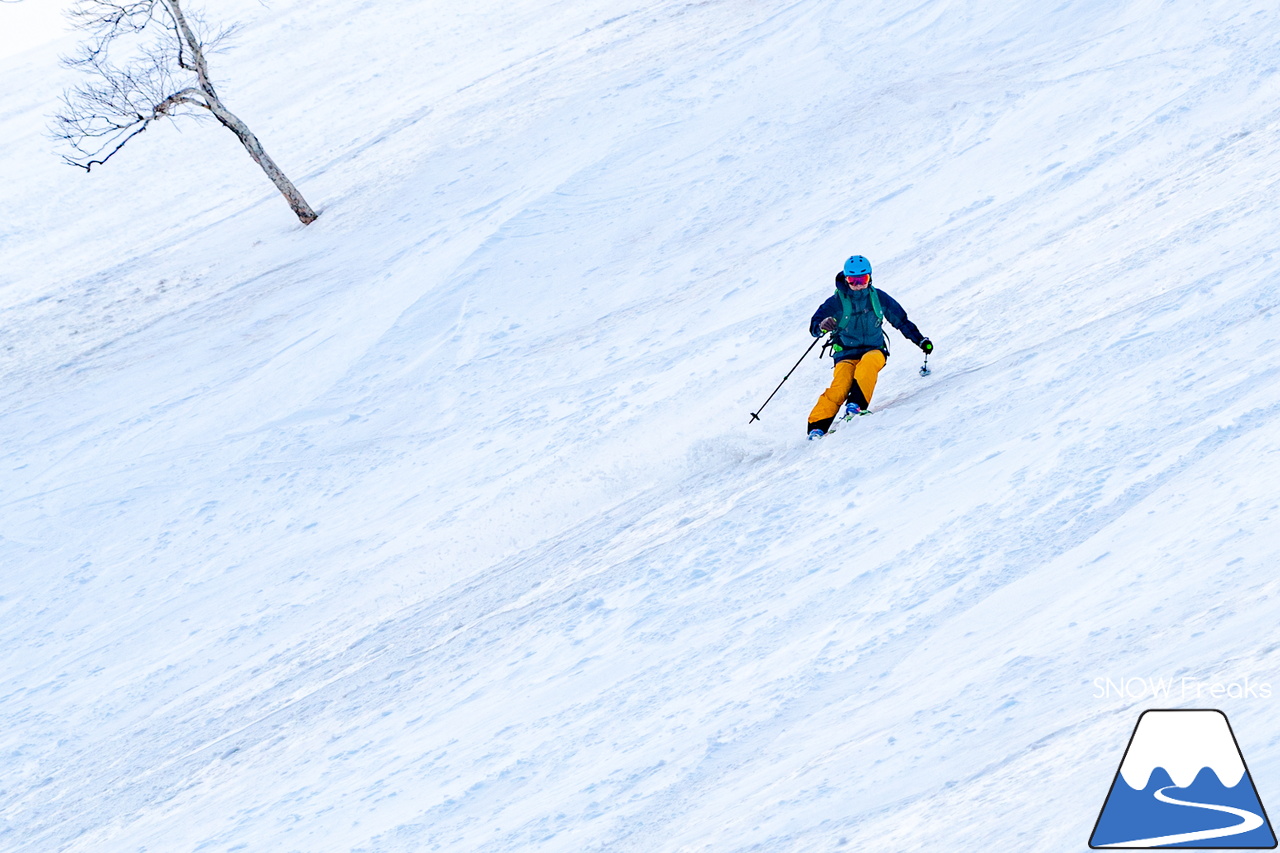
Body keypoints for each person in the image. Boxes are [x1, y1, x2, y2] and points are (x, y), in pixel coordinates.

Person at [806, 255, 932, 438]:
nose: (858, 284)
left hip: (875, 349)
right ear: (846, 279)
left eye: (862, 279)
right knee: (840, 385)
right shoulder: (836, 302)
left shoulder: (878, 298)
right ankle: (817, 426)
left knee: (868, 365)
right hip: (846, 353)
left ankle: (855, 406)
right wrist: (821, 325)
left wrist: (920, 340)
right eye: (853, 280)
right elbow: (814, 327)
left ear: (870, 278)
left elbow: (901, 321)